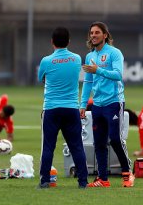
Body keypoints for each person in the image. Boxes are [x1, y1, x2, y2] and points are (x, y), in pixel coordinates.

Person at [80, 21, 134, 188]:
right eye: (91, 33)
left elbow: (118, 75)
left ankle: (128, 173)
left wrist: (98, 70)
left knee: (116, 140)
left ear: (105, 35)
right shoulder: (90, 56)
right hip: (97, 105)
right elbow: (88, 82)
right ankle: (103, 179)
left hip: (114, 102)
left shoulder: (114, 53)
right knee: (99, 142)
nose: (94, 35)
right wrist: (82, 104)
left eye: (97, 32)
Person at [37, 27, 88, 189]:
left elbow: (41, 78)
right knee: (77, 146)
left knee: (48, 147)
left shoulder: (46, 61)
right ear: (69, 41)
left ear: (52, 42)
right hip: (71, 108)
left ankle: (45, 181)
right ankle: (83, 182)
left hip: (51, 109)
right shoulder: (77, 59)